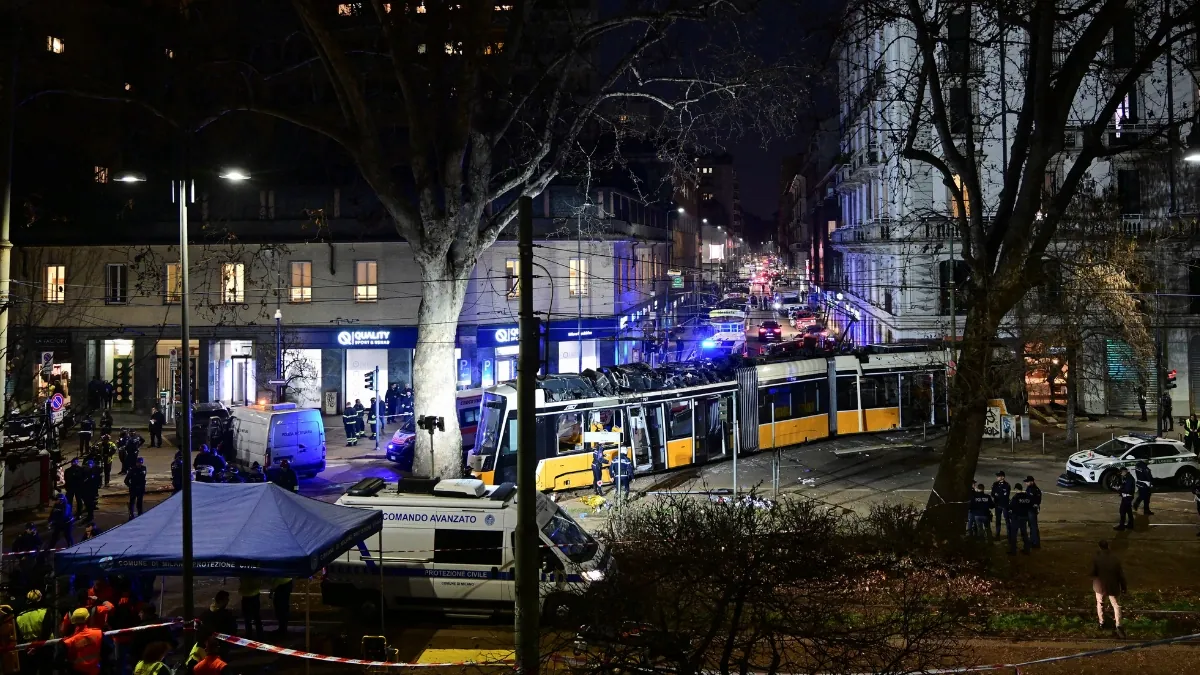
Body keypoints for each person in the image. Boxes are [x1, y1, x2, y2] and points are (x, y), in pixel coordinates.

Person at [1091, 540, 1127, 635]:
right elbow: (1121, 575)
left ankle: (1102, 622)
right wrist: (1124, 587)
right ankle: (1119, 625)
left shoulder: (1096, 558)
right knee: (1116, 605)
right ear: (1108, 546)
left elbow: (1093, 573)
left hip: (1100, 587)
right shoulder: (1115, 559)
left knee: (1100, 603)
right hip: (1113, 586)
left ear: (1099, 547)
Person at [15, 590, 52, 675]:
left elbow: (19, 636)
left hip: (27, 649)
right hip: (44, 648)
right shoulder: (45, 612)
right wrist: (36, 647)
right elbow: (46, 632)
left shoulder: (20, 616)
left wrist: (31, 648)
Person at [62, 608, 105, 675]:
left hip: (77, 671)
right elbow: (106, 651)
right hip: (95, 670)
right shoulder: (98, 633)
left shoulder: (68, 641)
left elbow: (59, 662)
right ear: (87, 619)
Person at [1007, 483, 1033, 555]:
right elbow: (1030, 505)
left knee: (1014, 534)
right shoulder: (1027, 497)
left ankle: (1013, 550)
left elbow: (1011, 507)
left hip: (1016, 517)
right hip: (1024, 516)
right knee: (1024, 533)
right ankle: (1027, 549)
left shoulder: (1016, 497)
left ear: (1016, 489)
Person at [1023, 476, 1042, 548]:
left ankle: (1036, 543)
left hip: (1032, 510)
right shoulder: (1029, 488)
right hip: (1028, 510)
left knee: (1033, 526)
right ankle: (1032, 541)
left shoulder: (1036, 490)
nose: (1026, 483)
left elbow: (1037, 501)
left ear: (1032, 482)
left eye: (1027, 482)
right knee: (1031, 526)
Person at [991, 471, 1011, 537]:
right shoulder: (995, 484)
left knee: (1007, 520)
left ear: (1003, 477)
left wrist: (997, 495)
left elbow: (1005, 495)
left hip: (1005, 505)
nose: (997, 477)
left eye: (999, 476)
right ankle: (997, 534)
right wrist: (997, 495)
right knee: (998, 520)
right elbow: (992, 493)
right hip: (997, 505)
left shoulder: (1007, 485)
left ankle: (1009, 534)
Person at [1115, 467, 1136, 531]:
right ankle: (1130, 524)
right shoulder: (1127, 477)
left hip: (1127, 497)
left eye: (1121, 472)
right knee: (1128, 511)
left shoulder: (1129, 478)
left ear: (1124, 471)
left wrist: (1119, 489)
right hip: (1127, 496)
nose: (1121, 474)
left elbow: (1128, 490)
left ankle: (1122, 526)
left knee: (1122, 511)